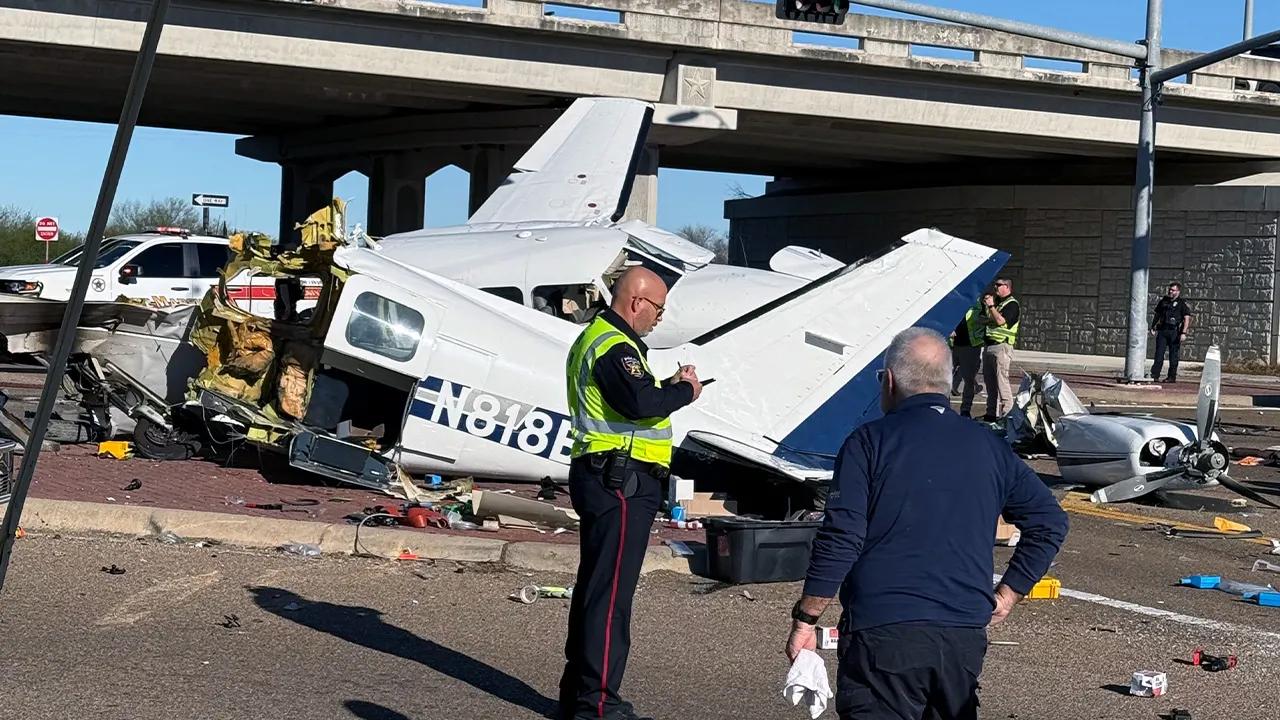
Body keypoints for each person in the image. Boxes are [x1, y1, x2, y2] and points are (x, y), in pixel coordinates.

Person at [785, 327, 1068, 720]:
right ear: (948, 383)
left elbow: (842, 537)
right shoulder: (988, 445)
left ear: (888, 381)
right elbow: (1049, 522)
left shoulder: (868, 442)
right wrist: (1009, 592)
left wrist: (807, 618)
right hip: (962, 635)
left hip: (884, 631)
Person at [559, 267, 703, 720]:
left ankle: (578, 695)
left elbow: (634, 397)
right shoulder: (613, 346)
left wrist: (664, 387)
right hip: (620, 480)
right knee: (611, 596)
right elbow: (640, 404)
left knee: (596, 588)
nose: (659, 318)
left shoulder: (603, 342)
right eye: (658, 308)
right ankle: (598, 704)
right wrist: (683, 391)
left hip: (606, 476)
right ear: (637, 302)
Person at [981, 277, 1020, 421]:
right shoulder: (998, 304)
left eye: (998, 285)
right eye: (995, 285)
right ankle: (991, 414)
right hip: (989, 346)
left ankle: (1007, 416)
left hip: (1002, 347)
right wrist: (989, 306)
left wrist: (991, 307)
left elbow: (1000, 321)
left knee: (1002, 383)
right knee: (990, 383)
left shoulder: (1012, 305)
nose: (995, 287)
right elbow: (983, 319)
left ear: (1007, 287)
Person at [1150, 281, 1193, 384]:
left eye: (1173, 290)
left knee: (1173, 356)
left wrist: (1183, 333)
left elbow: (1187, 318)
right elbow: (1157, 315)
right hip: (1163, 330)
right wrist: (1153, 326)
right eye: (1170, 289)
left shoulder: (1182, 304)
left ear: (1178, 291)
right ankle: (1155, 375)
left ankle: (1171, 377)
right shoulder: (1164, 301)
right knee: (1159, 354)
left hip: (1174, 332)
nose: (1170, 291)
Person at [949, 300, 986, 418]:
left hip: (971, 346)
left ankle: (965, 410)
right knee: (945, 377)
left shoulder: (979, 305)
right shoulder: (955, 302)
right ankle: (945, 406)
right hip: (954, 345)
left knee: (969, 379)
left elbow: (986, 320)